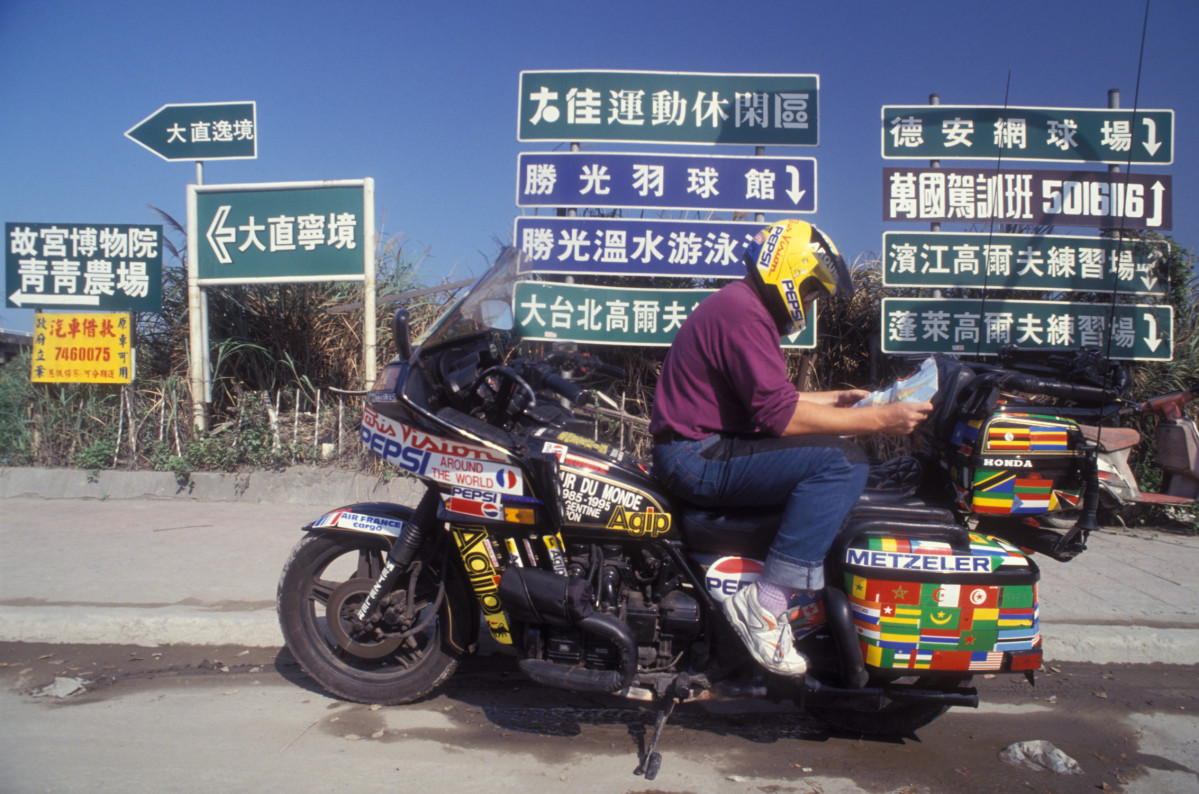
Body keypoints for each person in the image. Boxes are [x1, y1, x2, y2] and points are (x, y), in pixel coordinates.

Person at [649, 219, 932, 676]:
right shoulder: (744, 313)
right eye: (812, 290)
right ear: (791, 274)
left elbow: (771, 400)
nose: (811, 301)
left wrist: (836, 400)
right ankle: (765, 603)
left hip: (702, 447)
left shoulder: (741, 305)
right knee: (841, 462)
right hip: (695, 457)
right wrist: (880, 419)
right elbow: (777, 416)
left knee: (836, 445)